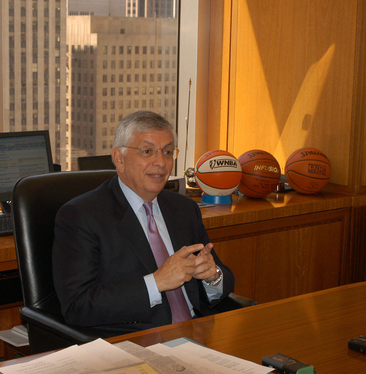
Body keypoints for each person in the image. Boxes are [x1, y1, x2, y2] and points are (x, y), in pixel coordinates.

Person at [52, 110, 235, 336]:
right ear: (119, 159)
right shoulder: (82, 216)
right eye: (147, 151)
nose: (161, 163)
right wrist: (156, 283)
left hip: (197, 332)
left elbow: (223, 279)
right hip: (136, 341)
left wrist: (212, 277)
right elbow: (78, 306)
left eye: (167, 152)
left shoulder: (184, 209)